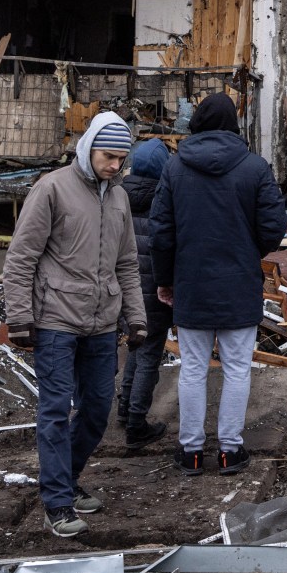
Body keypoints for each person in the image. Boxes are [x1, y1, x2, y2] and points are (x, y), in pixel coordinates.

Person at [3, 111, 146, 538]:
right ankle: (57, 503)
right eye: (108, 157)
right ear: (88, 149)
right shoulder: (52, 189)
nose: (115, 166)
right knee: (54, 410)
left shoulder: (119, 198)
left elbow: (127, 264)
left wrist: (136, 318)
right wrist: (19, 318)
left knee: (98, 409)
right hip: (55, 321)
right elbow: (21, 257)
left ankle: (68, 478)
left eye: (121, 159)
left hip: (102, 324)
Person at [150, 93, 287, 476]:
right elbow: (274, 226)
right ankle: (230, 451)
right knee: (238, 369)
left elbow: (161, 232)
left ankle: (191, 452)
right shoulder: (255, 167)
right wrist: (247, 250)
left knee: (193, 369)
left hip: (190, 284)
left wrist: (165, 279)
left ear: (196, 123)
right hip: (239, 283)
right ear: (233, 125)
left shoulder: (175, 168)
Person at [116, 137, 172, 449]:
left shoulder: (117, 198)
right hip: (155, 293)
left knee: (135, 347)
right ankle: (137, 423)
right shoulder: (163, 202)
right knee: (149, 355)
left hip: (124, 293)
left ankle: (124, 408)